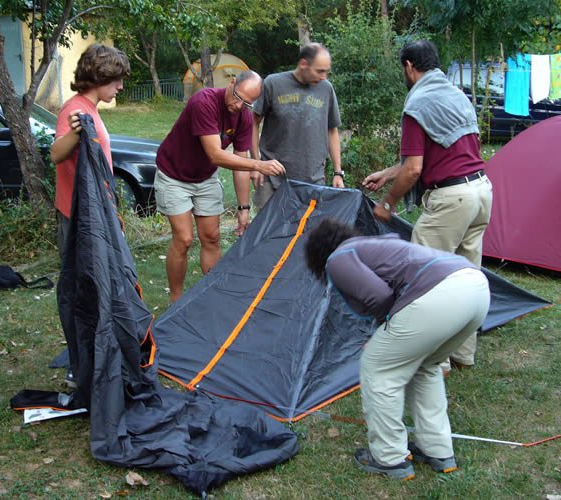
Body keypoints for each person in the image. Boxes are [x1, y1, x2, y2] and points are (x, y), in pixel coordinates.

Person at [304, 218, 490, 480]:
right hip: (475, 287)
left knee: (378, 368)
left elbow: (379, 297)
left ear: (317, 254)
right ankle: (436, 450)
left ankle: (390, 458)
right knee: (426, 366)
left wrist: (385, 330)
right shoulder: (375, 244)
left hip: (439, 295)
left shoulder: (338, 257)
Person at [362, 40, 493, 374]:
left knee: (424, 280)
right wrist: (388, 173)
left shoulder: (417, 102)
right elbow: (439, 153)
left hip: (451, 201)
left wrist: (387, 203)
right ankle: (463, 354)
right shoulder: (456, 95)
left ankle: (434, 362)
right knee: (467, 277)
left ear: (409, 66)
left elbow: (415, 169)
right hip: (480, 193)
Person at [155, 70, 285, 302]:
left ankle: (210, 297)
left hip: (204, 178)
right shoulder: (204, 102)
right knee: (184, 239)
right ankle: (176, 298)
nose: (238, 105)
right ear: (232, 82)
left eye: (247, 103)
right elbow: (215, 155)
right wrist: (259, 165)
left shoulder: (244, 118)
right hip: (174, 175)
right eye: (238, 96)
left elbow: (240, 163)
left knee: (212, 237)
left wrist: (244, 208)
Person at [50, 44, 130, 260]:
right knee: (84, 285)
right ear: (100, 77)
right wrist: (74, 133)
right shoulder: (75, 108)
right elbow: (56, 154)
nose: (120, 87)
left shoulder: (90, 108)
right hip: (79, 217)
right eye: (117, 80)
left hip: (95, 211)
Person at [251, 42, 344, 210]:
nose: (324, 77)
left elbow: (332, 130)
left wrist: (338, 172)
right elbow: (253, 122)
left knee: (307, 232)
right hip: (271, 178)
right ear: (303, 64)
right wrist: (256, 163)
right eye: (319, 71)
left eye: (326, 71)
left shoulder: (326, 89)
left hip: (312, 179)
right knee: (269, 232)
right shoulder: (273, 83)